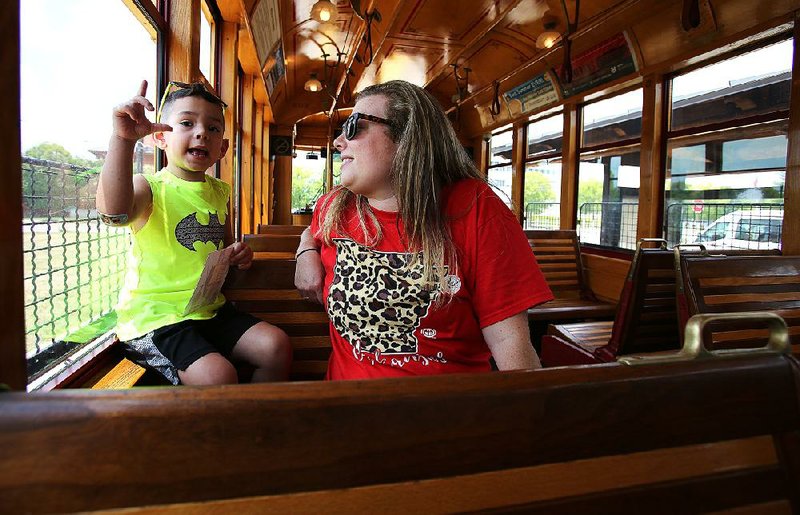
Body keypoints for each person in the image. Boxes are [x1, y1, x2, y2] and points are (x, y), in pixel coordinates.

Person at [294, 80, 553, 380]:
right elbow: (309, 233)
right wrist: (305, 251)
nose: (339, 142)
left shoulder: (476, 209)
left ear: (407, 137)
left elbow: (511, 344)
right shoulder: (334, 207)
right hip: (346, 409)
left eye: (354, 126)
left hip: (443, 412)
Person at [97, 80, 291, 385]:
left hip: (209, 309)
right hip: (156, 318)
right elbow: (114, 213)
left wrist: (238, 254)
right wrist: (122, 139)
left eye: (213, 129)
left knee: (275, 346)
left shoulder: (220, 192)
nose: (201, 132)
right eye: (187, 123)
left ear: (223, 148)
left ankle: (256, 419)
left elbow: (224, 247)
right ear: (160, 137)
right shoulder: (150, 188)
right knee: (218, 375)